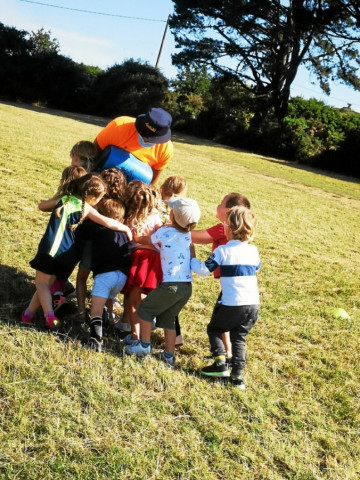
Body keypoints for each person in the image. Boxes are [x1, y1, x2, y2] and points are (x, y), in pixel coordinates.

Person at [21, 174, 132, 330]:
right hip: (67, 254)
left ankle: (49, 315)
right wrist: (125, 228)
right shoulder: (86, 208)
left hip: (49, 250)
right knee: (45, 285)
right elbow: (107, 222)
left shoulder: (65, 198)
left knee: (41, 284)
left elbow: (43, 205)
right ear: (92, 197)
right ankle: (28, 314)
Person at [125, 198, 201, 368]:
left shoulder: (165, 233)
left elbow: (144, 240)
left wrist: (134, 234)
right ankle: (168, 356)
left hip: (170, 286)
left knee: (145, 309)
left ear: (172, 216)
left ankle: (143, 346)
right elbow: (192, 255)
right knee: (168, 319)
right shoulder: (189, 238)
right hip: (186, 288)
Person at [191, 206, 260, 390]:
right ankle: (237, 377)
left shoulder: (222, 251)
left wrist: (192, 258)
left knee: (215, 328)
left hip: (232, 304)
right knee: (239, 337)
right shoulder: (253, 251)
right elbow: (257, 268)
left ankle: (220, 363)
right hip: (252, 305)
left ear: (228, 229)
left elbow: (203, 270)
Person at [191, 193, 251, 360]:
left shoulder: (222, 228)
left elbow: (197, 237)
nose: (217, 205)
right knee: (225, 321)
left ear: (229, 211)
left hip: (232, 285)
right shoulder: (236, 232)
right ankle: (228, 353)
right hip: (237, 285)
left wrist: (176, 227)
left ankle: (222, 356)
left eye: (220, 203)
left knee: (219, 322)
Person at [76, 198, 132, 352]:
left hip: (105, 275)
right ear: (121, 219)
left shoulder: (96, 229)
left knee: (96, 309)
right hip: (122, 277)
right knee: (108, 299)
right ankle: (107, 327)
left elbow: (79, 230)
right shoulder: (125, 234)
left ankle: (96, 339)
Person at [75, 167, 128, 322]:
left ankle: (80, 310)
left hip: (90, 244)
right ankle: (108, 311)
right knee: (108, 283)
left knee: (81, 277)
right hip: (111, 254)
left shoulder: (96, 202)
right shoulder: (120, 206)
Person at [37, 165, 88, 312]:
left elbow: (41, 206)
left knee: (46, 278)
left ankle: (55, 302)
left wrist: (56, 202)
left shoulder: (65, 200)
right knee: (61, 275)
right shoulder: (86, 205)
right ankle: (58, 297)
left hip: (56, 248)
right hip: (74, 251)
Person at [119, 181, 163, 339]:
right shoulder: (156, 216)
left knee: (133, 298)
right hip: (156, 259)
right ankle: (135, 322)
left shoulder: (129, 219)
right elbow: (161, 233)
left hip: (140, 258)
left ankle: (136, 335)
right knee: (143, 294)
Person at [93, 107, 173, 185]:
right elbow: (94, 152)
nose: (145, 141)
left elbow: (151, 183)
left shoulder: (165, 149)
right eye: (144, 135)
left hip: (133, 189)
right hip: (100, 178)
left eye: (151, 139)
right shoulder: (119, 126)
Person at [157, 175, 188, 346]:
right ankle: (176, 336)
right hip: (177, 261)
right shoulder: (184, 209)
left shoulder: (162, 206)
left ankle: (174, 336)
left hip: (162, 258)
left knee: (165, 298)